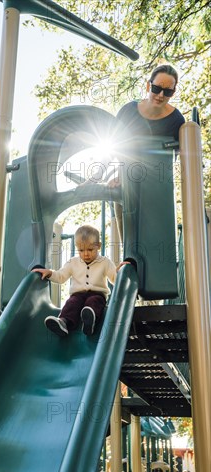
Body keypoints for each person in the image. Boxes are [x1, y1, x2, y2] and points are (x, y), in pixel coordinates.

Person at [107, 64, 185, 240]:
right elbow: (112, 147)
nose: (160, 95)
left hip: (156, 181)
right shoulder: (128, 111)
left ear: (173, 92)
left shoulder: (176, 120)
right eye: (156, 88)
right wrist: (98, 176)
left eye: (168, 92)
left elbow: (178, 156)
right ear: (148, 85)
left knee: (154, 231)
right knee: (120, 194)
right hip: (127, 175)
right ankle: (129, 256)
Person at [32, 224, 128, 337]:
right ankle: (63, 323)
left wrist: (120, 272)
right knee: (72, 303)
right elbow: (61, 276)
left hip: (97, 294)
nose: (86, 253)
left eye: (90, 249)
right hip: (77, 295)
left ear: (99, 246)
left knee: (93, 302)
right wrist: (50, 273)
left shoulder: (105, 262)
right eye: (81, 250)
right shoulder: (73, 262)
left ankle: (90, 322)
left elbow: (114, 278)